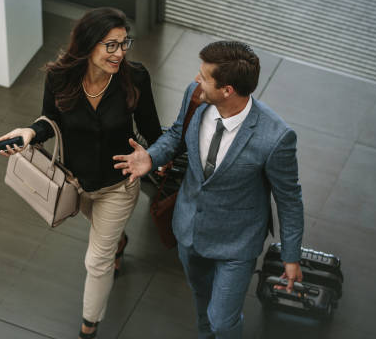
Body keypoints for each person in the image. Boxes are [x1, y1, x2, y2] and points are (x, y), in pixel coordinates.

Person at [113, 41, 304, 339]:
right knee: (202, 301)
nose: (195, 80)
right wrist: (151, 157)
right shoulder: (196, 97)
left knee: (223, 321)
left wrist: (291, 257)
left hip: (236, 243)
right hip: (189, 229)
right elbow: (177, 133)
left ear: (227, 90)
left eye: (204, 76)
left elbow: (289, 200)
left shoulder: (275, 137)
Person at [0, 7, 162, 339]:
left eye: (123, 43)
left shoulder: (135, 77)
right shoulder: (60, 76)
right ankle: (118, 240)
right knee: (103, 232)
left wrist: (151, 155)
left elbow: (153, 132)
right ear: (88, 45)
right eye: (110, 45)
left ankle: (89, 326)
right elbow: (50, 120)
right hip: (76, 184)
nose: (120, 53)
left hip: (119, 185)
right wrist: (30, 133)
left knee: (96, 261)